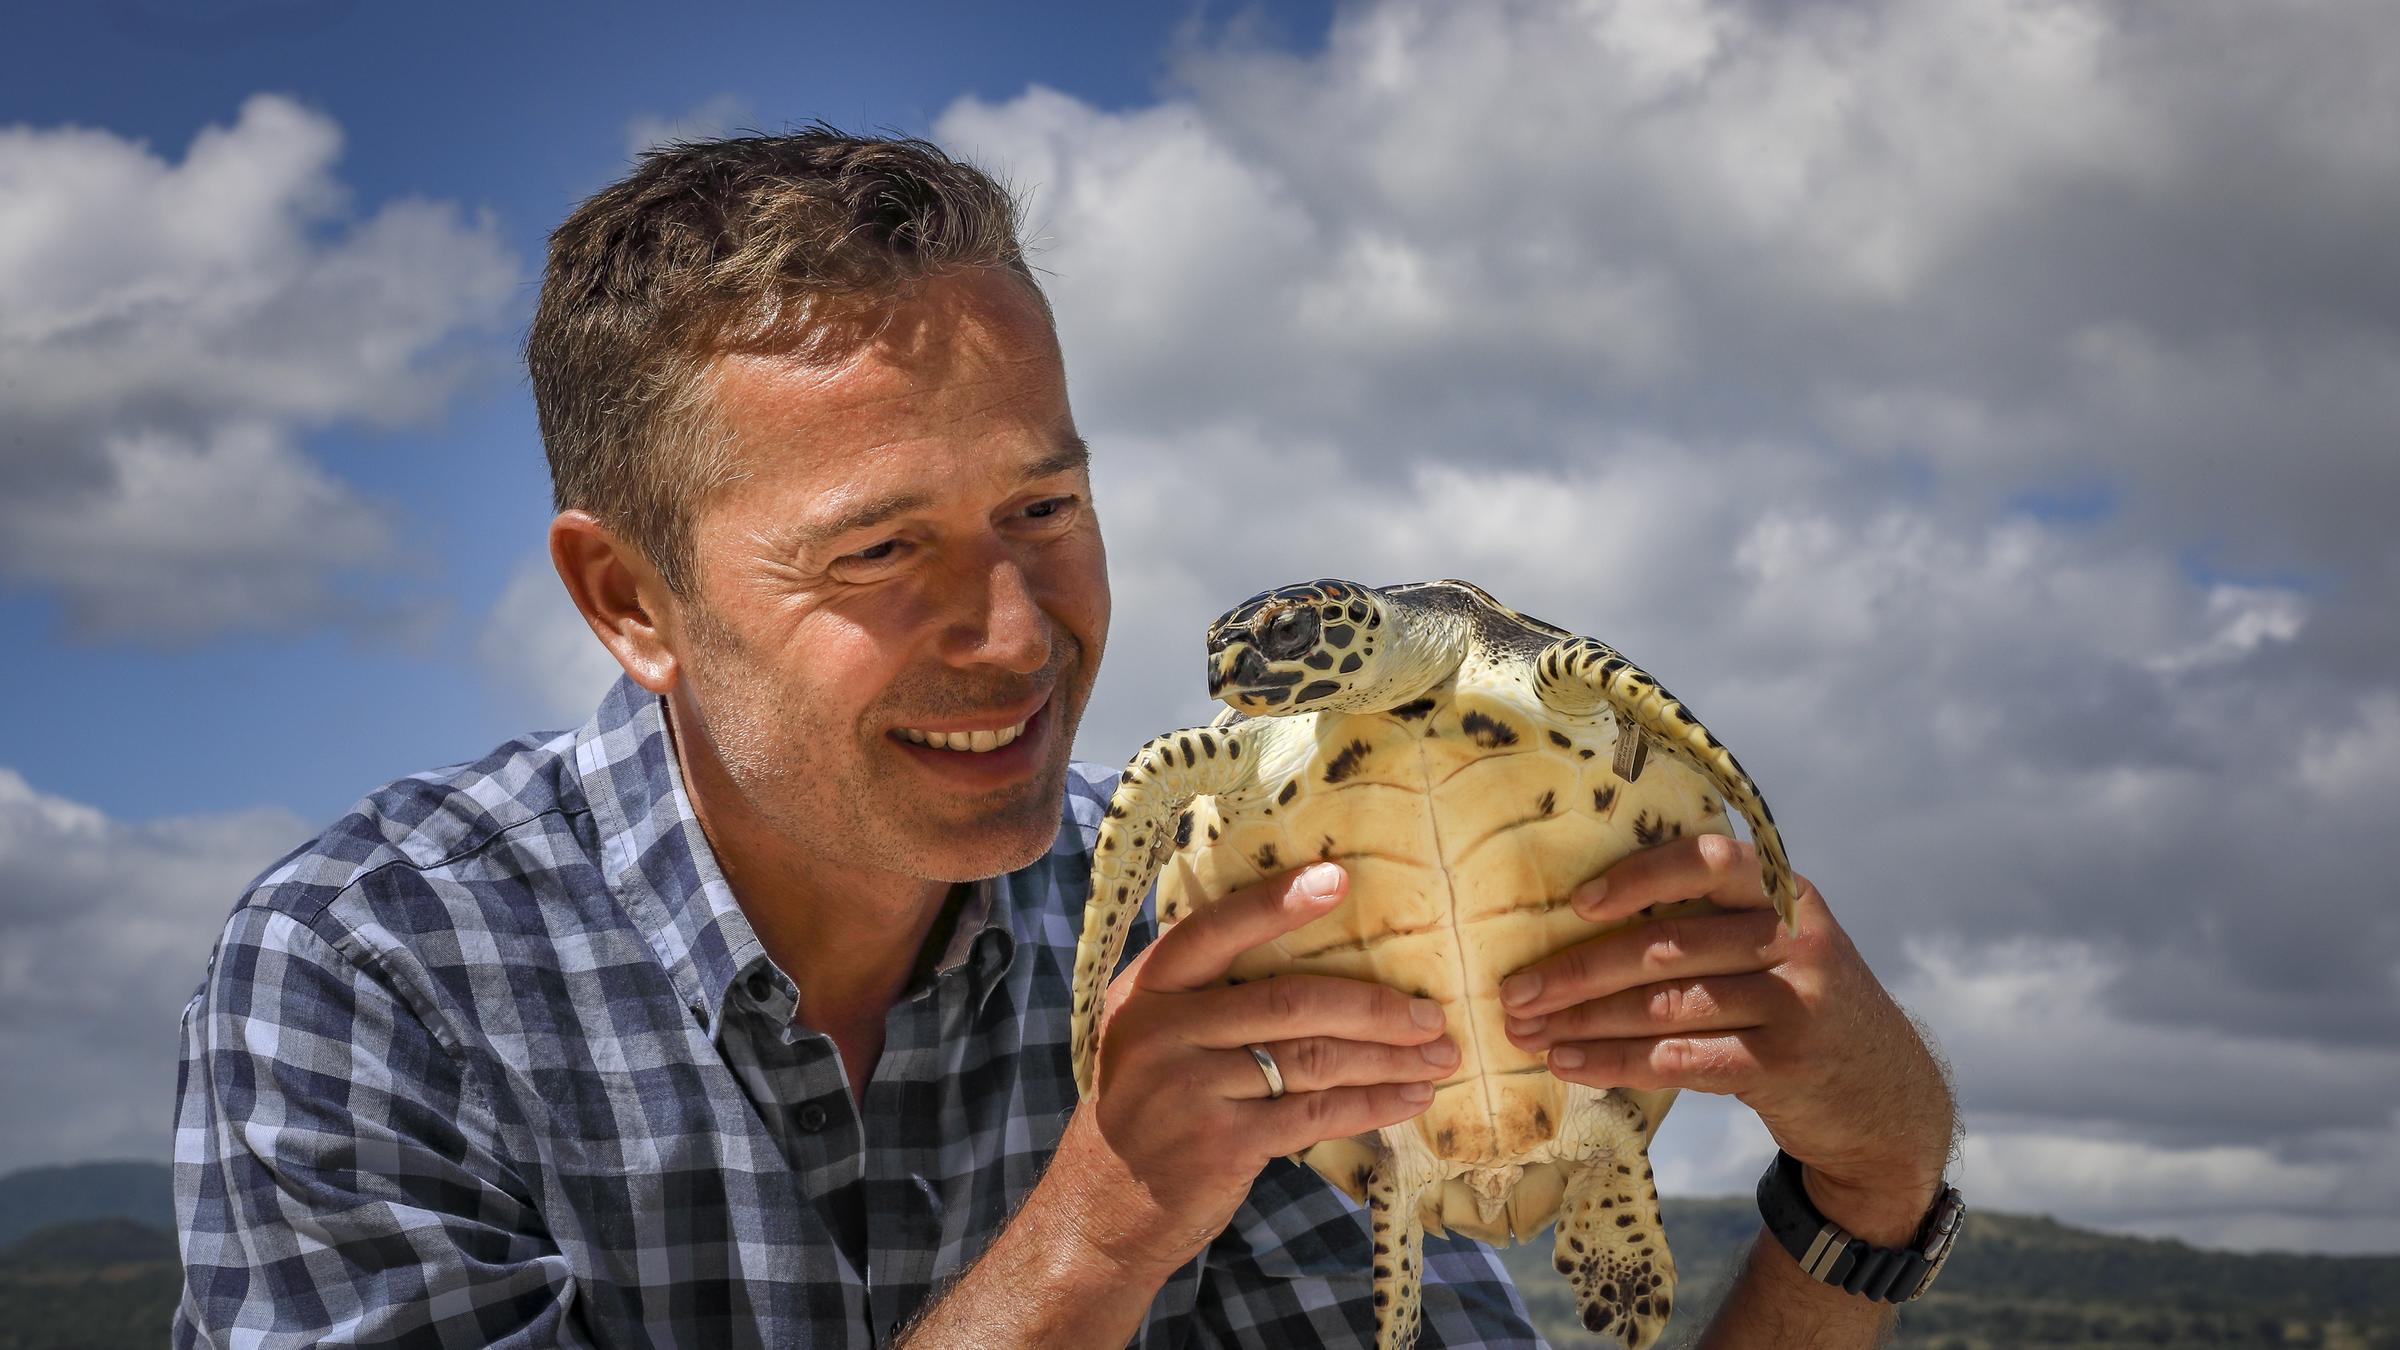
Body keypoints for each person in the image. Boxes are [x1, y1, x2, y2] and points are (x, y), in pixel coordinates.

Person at [173, 130, 1957, 1348]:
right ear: (627, 598)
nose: (1020, 635)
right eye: (883, 549)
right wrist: (1106, 1223)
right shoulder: (369, 974)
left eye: (1045, 506)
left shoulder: (1218, 915)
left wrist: (1862, 1189)